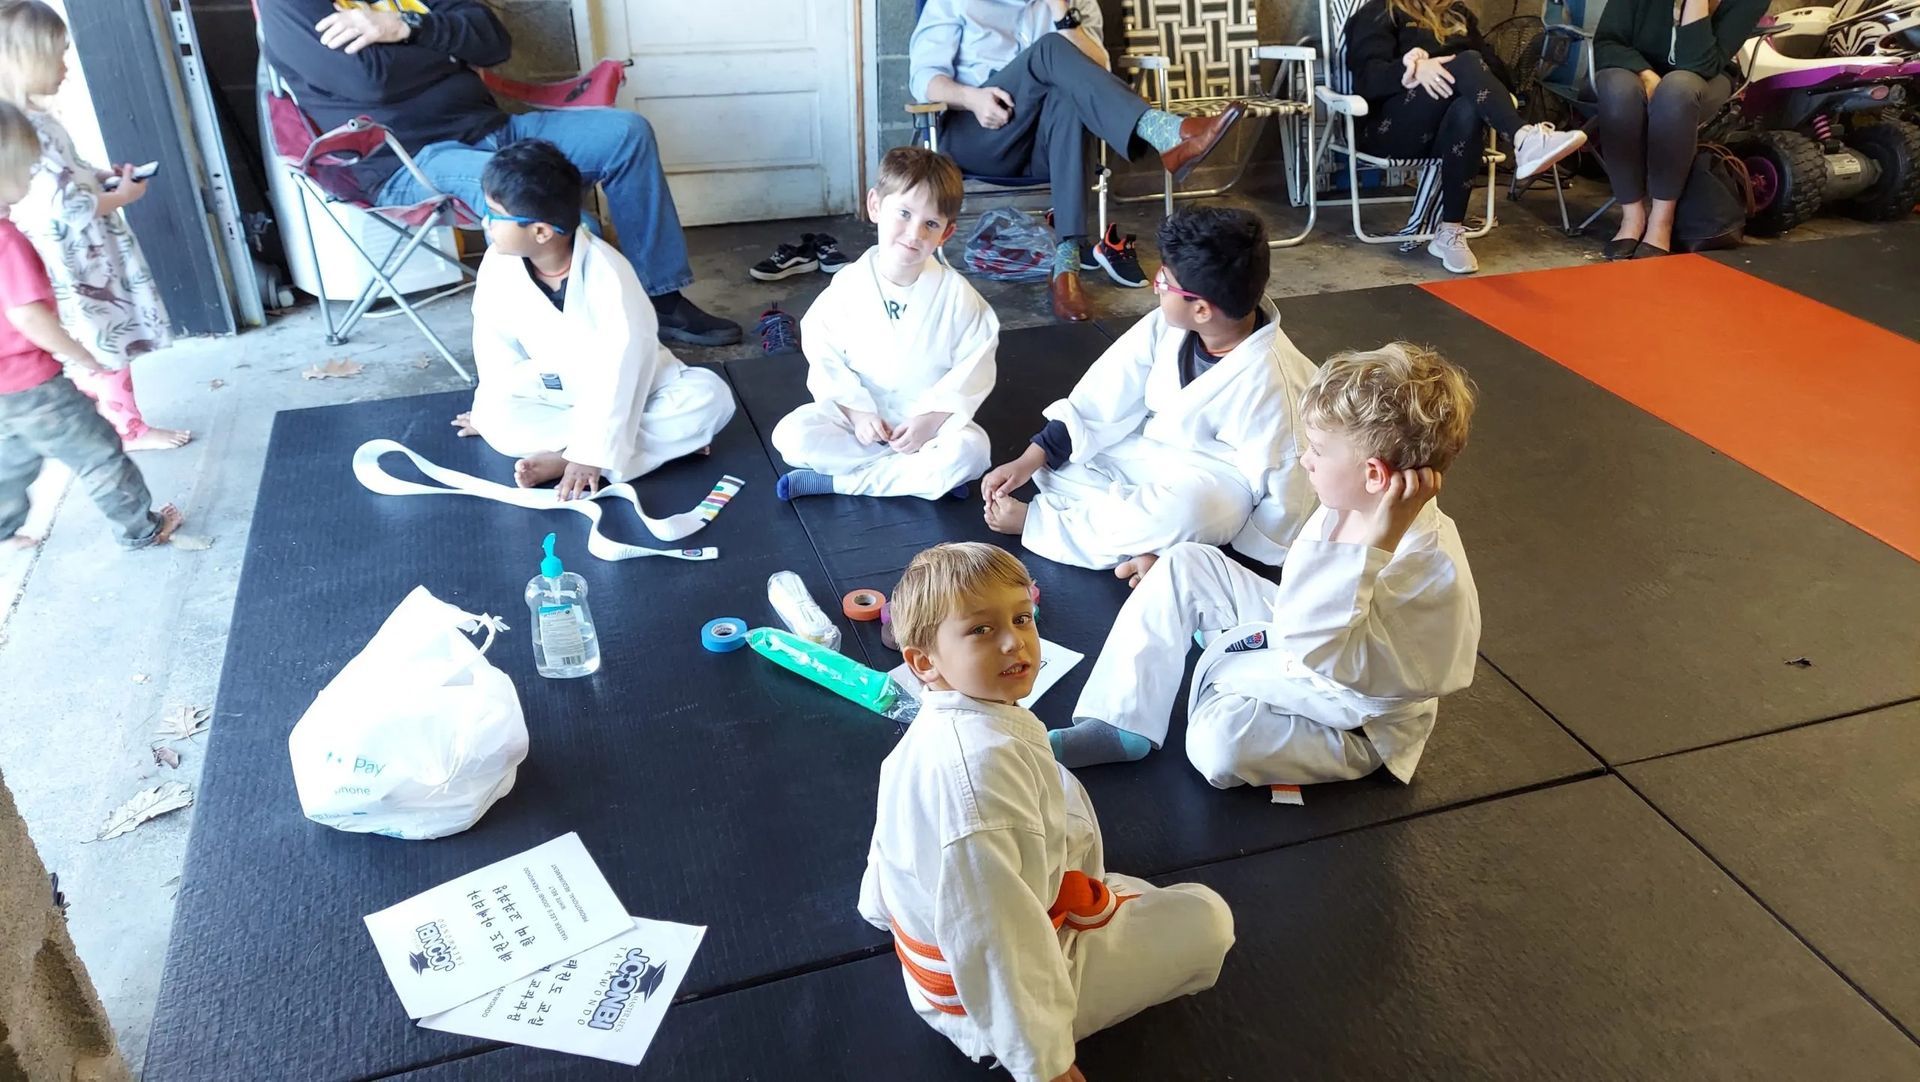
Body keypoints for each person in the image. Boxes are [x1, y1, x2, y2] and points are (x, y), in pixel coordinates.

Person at [857, 541, 1235, 1082]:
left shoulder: (935, 733)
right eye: (981, 630)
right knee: (1208, 919)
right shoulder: (978, 780)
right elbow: (999, 943)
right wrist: (1046, 1064)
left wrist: (881, 911)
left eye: (1022, 617)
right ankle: (1040, 1021)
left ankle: (1086, 911)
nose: (1015, 642)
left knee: (1055, 786)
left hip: (959, 953)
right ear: (924, 663)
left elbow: (887, 848)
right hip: (985, 1005)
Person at [1050, 343, 1481, 792]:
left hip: (1348, 712)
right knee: (1183, 563)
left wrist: (1373, 547)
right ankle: (1119, 721)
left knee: (1218, 746)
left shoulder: (1424, 570)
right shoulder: (1357, 498)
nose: (1305, 459)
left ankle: (1251, 677)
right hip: (1298, 632)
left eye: (1317, 449)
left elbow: (1320, 646)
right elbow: (1301, 600)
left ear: (1373, 474)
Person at [258, 0, 739, 346]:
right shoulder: (291, 7)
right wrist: (444, 46)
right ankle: (593, 345)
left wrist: (403, 26)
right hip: (407, 161)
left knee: (625, 133)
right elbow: (370, 82)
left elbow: (492, 40)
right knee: (549, 208)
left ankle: (662, 299)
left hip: (493, 128)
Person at [980, 207, 1317, 571]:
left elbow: (1288, 492)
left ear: (1201, 309)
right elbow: (1105, 392)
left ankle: (1042, 524)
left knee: (1192, 512)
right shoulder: (1167, 325)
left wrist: (1223, 561)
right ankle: (1150, 543)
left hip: (1212, 486)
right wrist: (1030, 459)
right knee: (1066, 462)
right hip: (1149, 456)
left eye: (1164, 282)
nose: (1157, 287)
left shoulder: (1274, 381)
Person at [910, 0, 1247, 322]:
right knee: (1049, 50)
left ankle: (1066, 266)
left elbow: (1097, 76)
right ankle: (1165, 132)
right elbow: (924, 79)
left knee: (1068, 96)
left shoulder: (1075, 3)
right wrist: (971, 98)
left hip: (1044, 146)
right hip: (980, 135)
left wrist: (1061, 11)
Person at [450, 140, 734, 498]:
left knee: (710, 399)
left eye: (495, 215)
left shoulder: (609, 275)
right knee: (496, 419)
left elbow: (626, 365)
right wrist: (490, 406)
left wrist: (591, 452)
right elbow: (493, 343)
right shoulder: (498, 262)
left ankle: (577, 457)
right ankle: (644, 450)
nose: (485, 223)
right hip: (553, 393)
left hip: (637, 392)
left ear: (541, 232)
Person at [0, 0, 189, 451]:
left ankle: (102, 422)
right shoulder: (25, 127)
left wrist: (101, 177)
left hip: (82, 253)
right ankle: (129, 429)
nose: (66, 66)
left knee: (95, 341)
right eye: (58, 55)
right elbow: (61, 205)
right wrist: (120, 197)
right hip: (75, 260)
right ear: (26, 60)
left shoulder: (34, 119)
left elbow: (69, 175)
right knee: (104, 342)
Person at [0, 101, 182, 551]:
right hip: (34, 383)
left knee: (11, 459)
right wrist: (80, 355)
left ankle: (3, 532)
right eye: (25, 168)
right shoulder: (8, 242)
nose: (30, 177)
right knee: (98, 453)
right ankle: (143, 528)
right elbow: (26, 314)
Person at [772, 147, 996, 502]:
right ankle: (921, 480)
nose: (914, 233)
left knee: (972, 452)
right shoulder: (849, 285)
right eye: (904, 213)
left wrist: (929, 421)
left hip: (926, 428)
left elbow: (974, 367)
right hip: (859, 424)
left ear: (946, 233)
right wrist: (857, 413)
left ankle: (838, 483)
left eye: (931, 224)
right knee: (791, 436)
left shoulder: (957, 296)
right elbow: (823, 352)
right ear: (875, 205)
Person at [1343, 0, 1589, 273]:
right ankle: (1523, 138)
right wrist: (1411, 68)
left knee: (1468, 104)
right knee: (1467, 62)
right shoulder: (1381, 11)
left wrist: (1468, 71)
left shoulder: (1459, 15)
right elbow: (1367, 78)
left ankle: (1449, 231)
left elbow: (1501, 77)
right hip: (1390, 131)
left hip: (1445, 130)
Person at [1593, 0, 1768, 259]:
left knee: (1676, 91)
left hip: (1704, 77)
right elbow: (1607, 41)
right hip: (1634, 67)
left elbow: (1698, 64)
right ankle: (1632, 218)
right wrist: (1647, 74)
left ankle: (1661, 222)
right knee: (1618, 89)